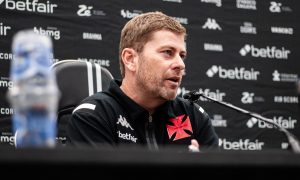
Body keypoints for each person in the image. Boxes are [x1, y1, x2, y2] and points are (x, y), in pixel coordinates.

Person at [66, 11, 219, 152]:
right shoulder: (93, 116)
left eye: (182, 55)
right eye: (167, 52)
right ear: (130, 59)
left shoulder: (192, 116)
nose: (181, 64)